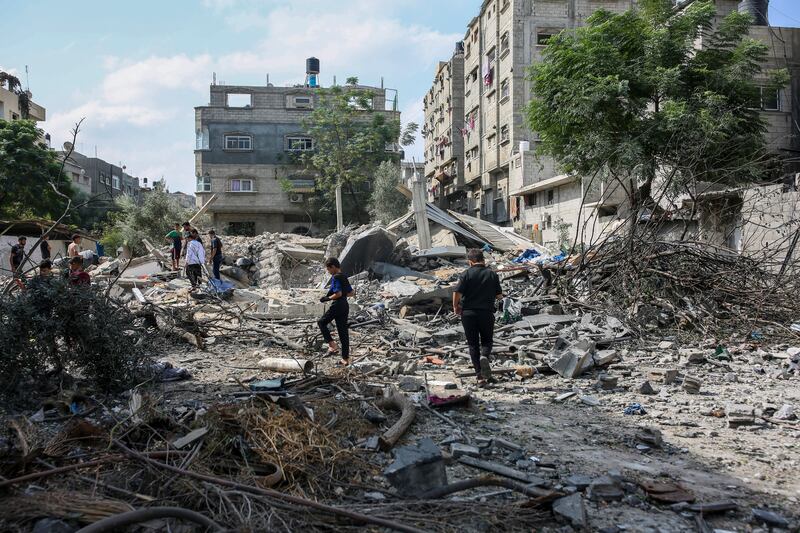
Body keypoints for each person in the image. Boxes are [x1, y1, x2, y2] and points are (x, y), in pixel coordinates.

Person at [453, 248, 503, 385]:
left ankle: (479, 376)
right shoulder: (492, 274)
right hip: (486, 313)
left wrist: (455, 306)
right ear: (483, 259)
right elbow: (499, 296)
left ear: (470, 262)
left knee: (472, 344)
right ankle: (484, 356)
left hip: (468, 314)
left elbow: (457, 292)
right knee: (487, 341)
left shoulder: (466, 274)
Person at [317, 257, 353, 366]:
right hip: (345, 305)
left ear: (332, 267)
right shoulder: (344, 277)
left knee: (321, 322)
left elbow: (338, 294)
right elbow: (351, 293)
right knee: (343, 332)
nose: (329, 272)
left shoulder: (336, 277)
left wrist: (328, 298)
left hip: (337, 305)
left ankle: (332, 345)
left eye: (328, 270)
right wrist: (339, 295)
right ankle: (345, 359)